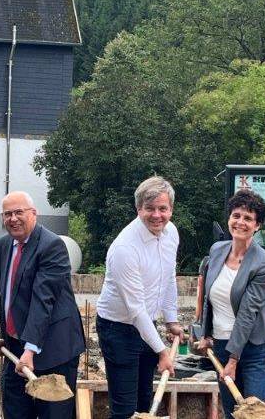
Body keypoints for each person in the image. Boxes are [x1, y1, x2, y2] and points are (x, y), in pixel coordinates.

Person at [0, 192, 86, 419]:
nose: (13, 218)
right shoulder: (0, 246)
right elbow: (9, 296)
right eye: (7, 214)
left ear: (34, 214)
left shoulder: (52, 246)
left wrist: (30, 349)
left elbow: (43, 300)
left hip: (54, 350)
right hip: (16, 348)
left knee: (54, 414)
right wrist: (7, 333)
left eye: (19, 212)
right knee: (15, 412)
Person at [96, 176, 184, 419]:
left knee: (144, 402)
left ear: (171, 209)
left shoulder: (171, 233)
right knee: (124, 408)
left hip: (147, 325)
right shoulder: (125, 247)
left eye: (162, 209)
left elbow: (168, 277)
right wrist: (163, 352)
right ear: (138, 209)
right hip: (118, 328)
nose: (157, 215)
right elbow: (135, 309)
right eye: (150, 209)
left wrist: (171, 320)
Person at [194, 190, 265, 419]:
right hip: (222, 343)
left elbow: (247, 314)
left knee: (253, 411)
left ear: (258, 225)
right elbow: (208, 297)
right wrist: (205, 333)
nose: (240, 222)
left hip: (255, 347)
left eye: (248, 218)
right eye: (236, 215)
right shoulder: (217, 250)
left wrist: (233, 359)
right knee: (231, 410)